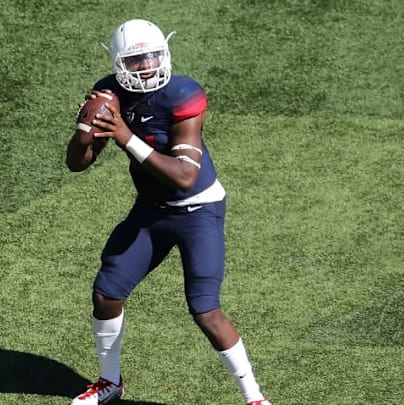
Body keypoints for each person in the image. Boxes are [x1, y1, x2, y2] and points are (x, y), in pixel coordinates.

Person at [65, 19, 271, 405]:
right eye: (135, 59)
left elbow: (184, 176)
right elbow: (77, 163)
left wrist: (124, 136)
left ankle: (254, 398)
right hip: (151, 210)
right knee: (106, 292)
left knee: (205, 309)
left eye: (151, 57)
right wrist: (83, 130)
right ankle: (110, 383)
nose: (145, 66)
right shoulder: (110, 92)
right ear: (118, 63)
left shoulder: (183, 94)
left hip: (198, 210)